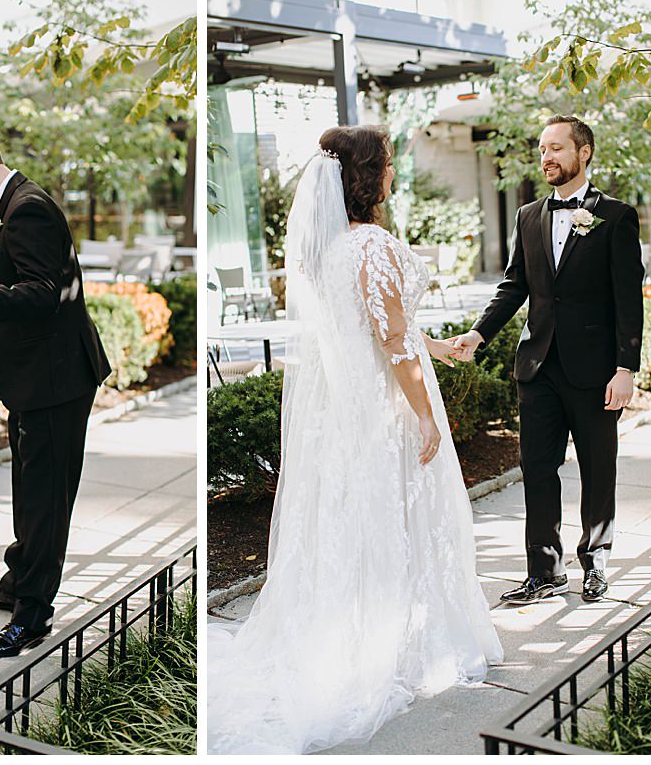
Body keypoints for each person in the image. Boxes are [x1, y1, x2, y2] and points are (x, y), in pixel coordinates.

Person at [206, 125, 503, 754]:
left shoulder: (331, 250)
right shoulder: (371, 246)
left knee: (355, 523)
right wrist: (426, 414)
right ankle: (400, 647)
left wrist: (439, 346)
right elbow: (393, 344)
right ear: (368, 177)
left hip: (345, 412)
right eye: (389, 165)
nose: (394, 174)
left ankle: (362, 631)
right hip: (384, 411)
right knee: (398, 517)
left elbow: (379, 332)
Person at [0, 125, 111, 657]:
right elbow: (25, 276)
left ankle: (32, 617)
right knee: (29, 490)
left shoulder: (28, 207)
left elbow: (42, 293)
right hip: (37, 378)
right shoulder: (11, 206)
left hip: (56, 378)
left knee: (46, 500)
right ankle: (17, 582)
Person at [447, 115, 644, 605]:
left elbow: (628, 300)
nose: (547, 158)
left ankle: (595, 562)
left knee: (599, 468)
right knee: (536, 468)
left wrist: (625, 368)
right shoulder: (529, 215)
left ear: (585, 153)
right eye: (542, 150)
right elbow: (515, 286)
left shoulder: (616, 217)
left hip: (596, 371)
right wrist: (478, 334)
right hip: (537, 368)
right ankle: (544, 569)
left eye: (557, 148)